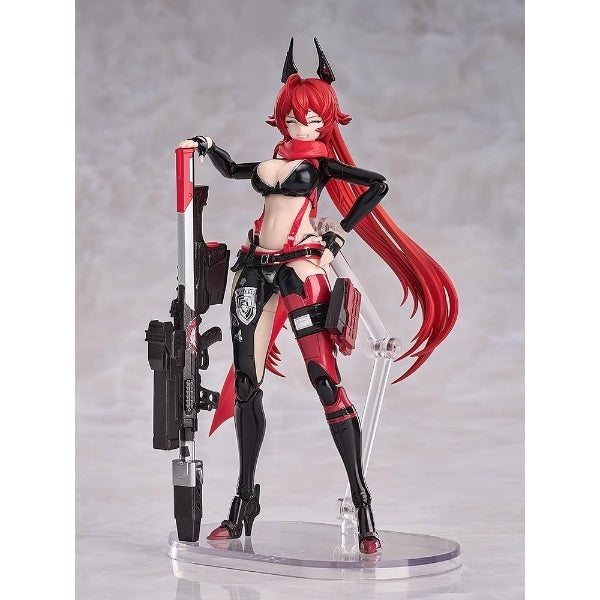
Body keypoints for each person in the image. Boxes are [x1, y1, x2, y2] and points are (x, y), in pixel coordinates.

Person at [179, 39, 458, 555]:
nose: (298, 124)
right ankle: (243, 503)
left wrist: (338, 235)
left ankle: (363, 504)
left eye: (309, 117)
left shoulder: (323, 164)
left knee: (326, 382)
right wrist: (208, 147)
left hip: (300, 271)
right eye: (291, 115)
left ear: (325, 120)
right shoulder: (274, 159)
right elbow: (234, 169)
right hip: (255, 270)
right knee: (246, 385)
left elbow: (377, 185)